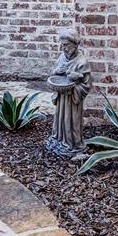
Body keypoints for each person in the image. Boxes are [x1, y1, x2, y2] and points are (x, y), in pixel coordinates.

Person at [46, 28, 91, 156]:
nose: (63, 48)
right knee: (59, 119)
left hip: (73, 99)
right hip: (62, 96)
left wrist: (77, 77)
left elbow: (87, 85)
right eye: (62, 45)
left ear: (75, 44)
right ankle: (58, 139)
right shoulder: (62, 57)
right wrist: (56, 71)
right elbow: (53, 74)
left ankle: (72, 144)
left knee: (71, 121)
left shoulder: (82, 62)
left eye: (66, 45)